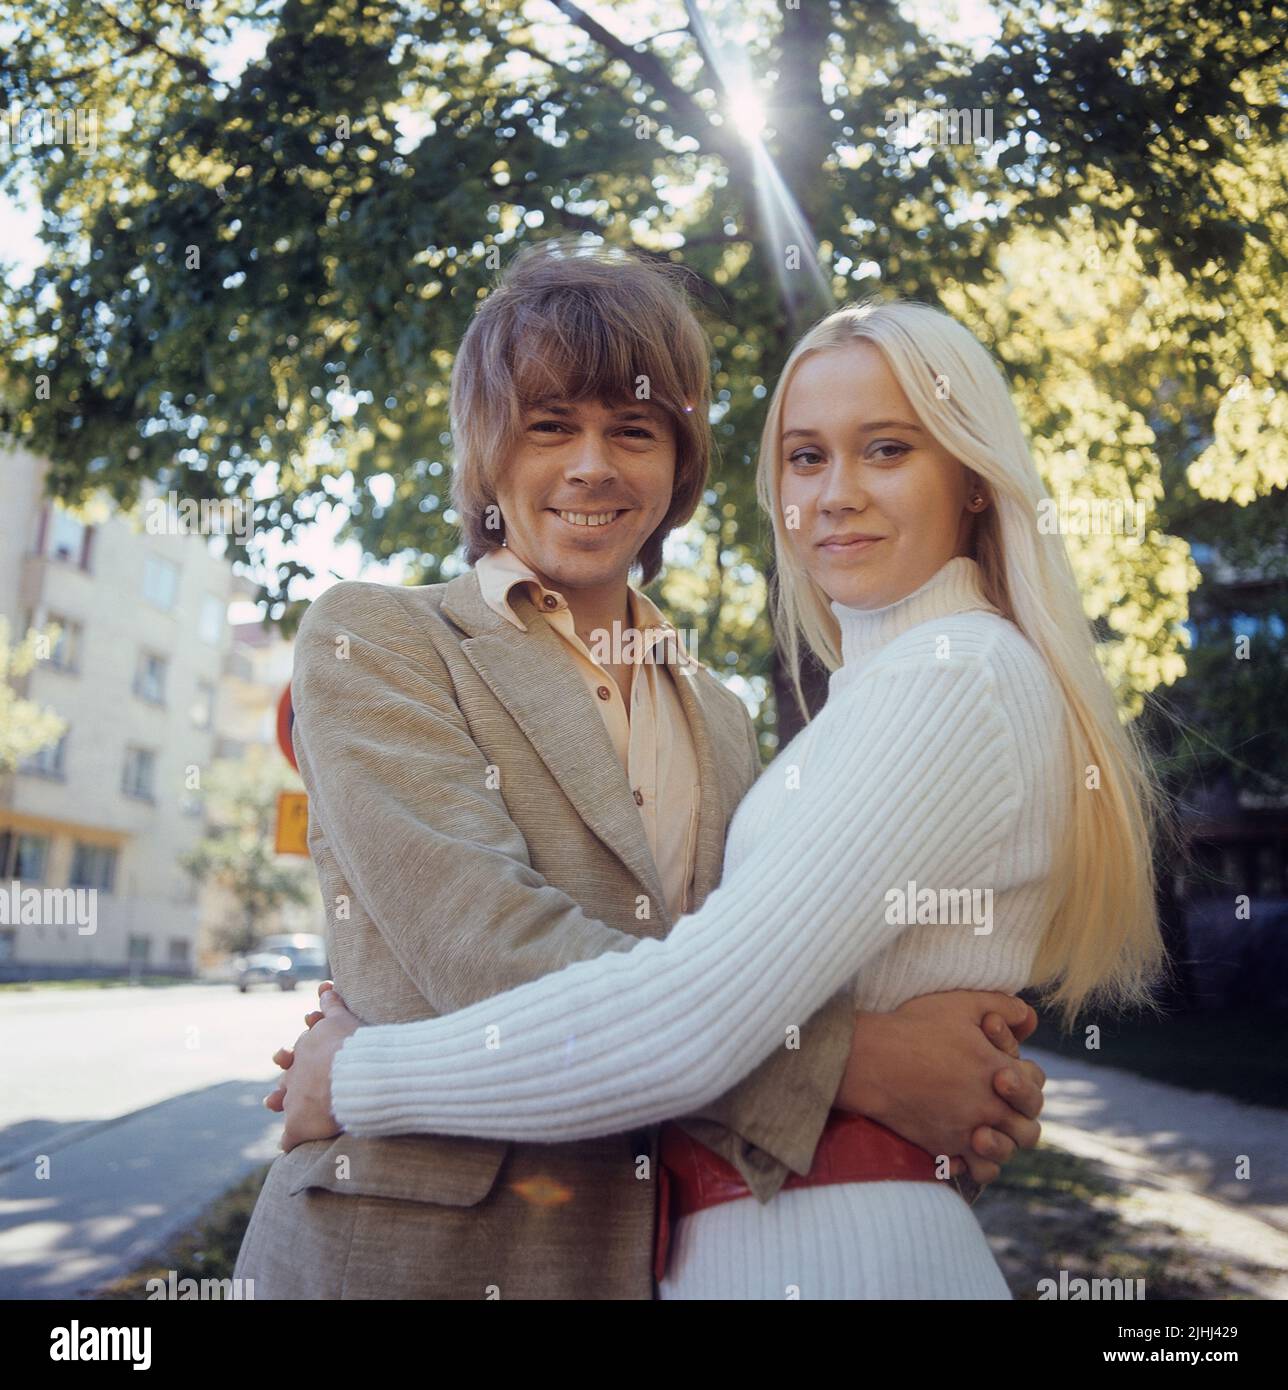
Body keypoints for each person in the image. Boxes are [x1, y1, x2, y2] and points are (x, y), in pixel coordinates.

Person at [272, 295, 1166, 1299]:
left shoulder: (755, 710)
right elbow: (490, 955)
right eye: (549, 425)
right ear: (486, 450)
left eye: (634, 429)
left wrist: (351, 1076)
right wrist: (852, 1061)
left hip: (745, 1251)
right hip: (421, 1261)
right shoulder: (378, 638)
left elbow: (703, 1006)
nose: (590, 465)